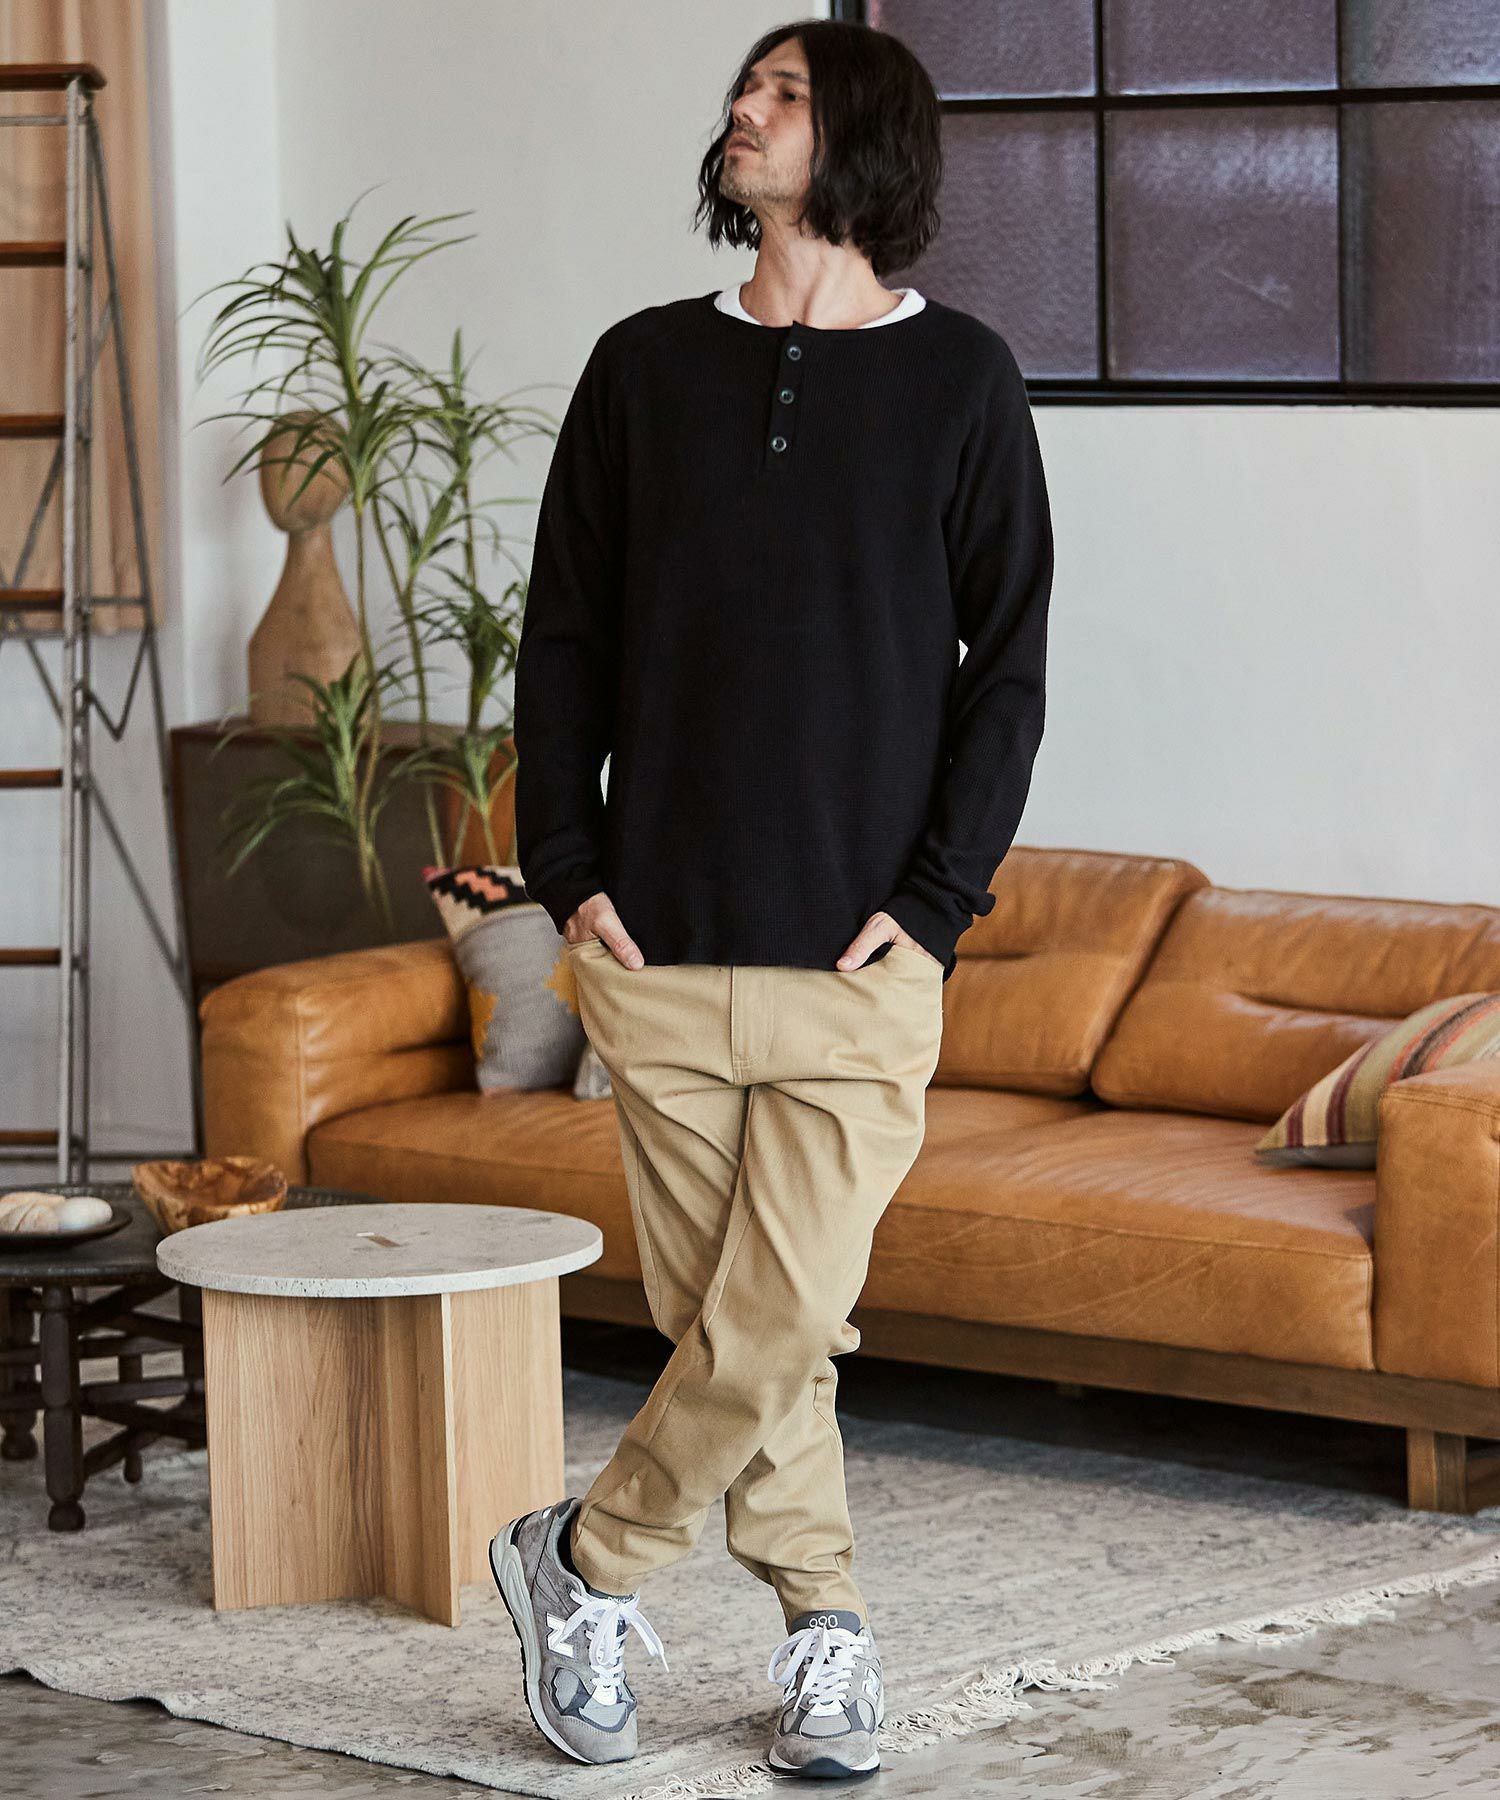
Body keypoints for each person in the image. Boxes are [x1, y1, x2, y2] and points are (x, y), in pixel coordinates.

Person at [491, 15, 1053, 1780]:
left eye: (786, 94)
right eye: (747, 87)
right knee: (736, 1329)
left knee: (786, 1311)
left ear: (861, 138)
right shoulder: (644, 368)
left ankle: (587, 1561)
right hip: (654, 947)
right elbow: (563, 636)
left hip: (859, 962)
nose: (744, 111)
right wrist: (568, 873)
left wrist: (940, 901)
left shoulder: (962, 380)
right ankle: (826, 1634)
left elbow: (1008, 674)